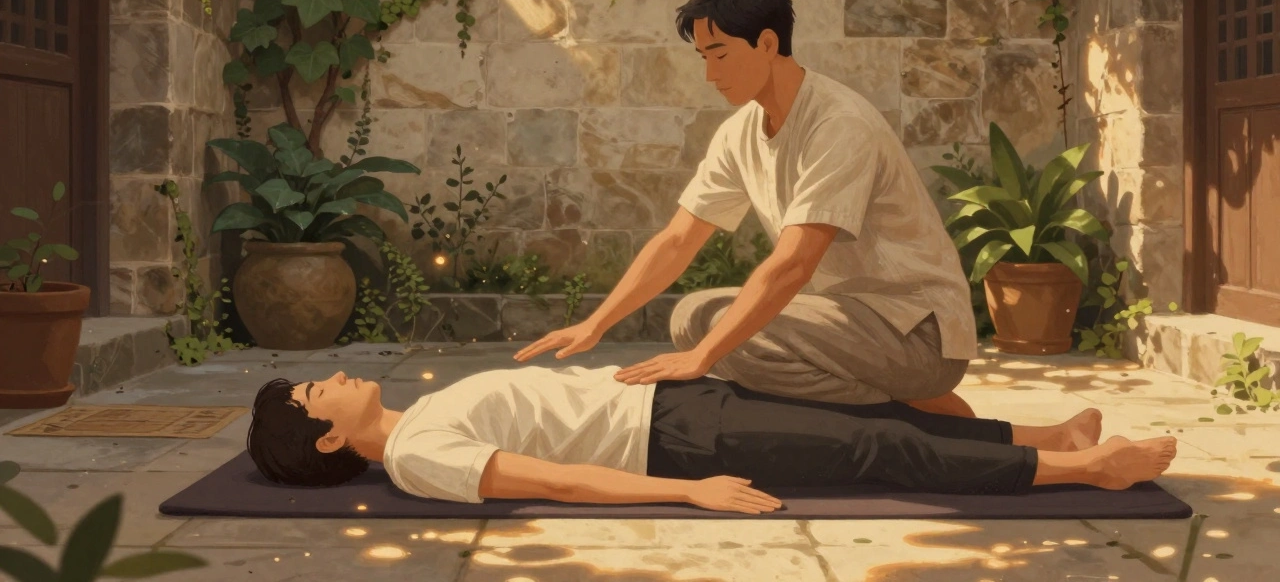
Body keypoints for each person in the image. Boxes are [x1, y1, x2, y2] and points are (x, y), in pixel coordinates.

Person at [513, 0, 981, 418]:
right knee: (694, 316)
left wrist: (702, 358)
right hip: (848, 325)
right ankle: (920, 415)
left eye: (720, 54)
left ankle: (910, 422)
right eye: (704, 58)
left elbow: (794, 265)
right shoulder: (740, 132)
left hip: (919, 334)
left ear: (768, 43)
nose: (711, 74)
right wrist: (596, 324)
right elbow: (678, 240)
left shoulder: (839, 123)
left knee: (724, 336)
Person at [245, 368, 1178, 513]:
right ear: (326, 439)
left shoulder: (421, 416)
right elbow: (552, 479)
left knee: (867, 417)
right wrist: (691, 492)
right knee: (876, 454)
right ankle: (1081, 470)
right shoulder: (412, 457)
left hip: (674, 404)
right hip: (674, 444)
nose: (331, 377)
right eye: (315, 391)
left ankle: (1044, 430)